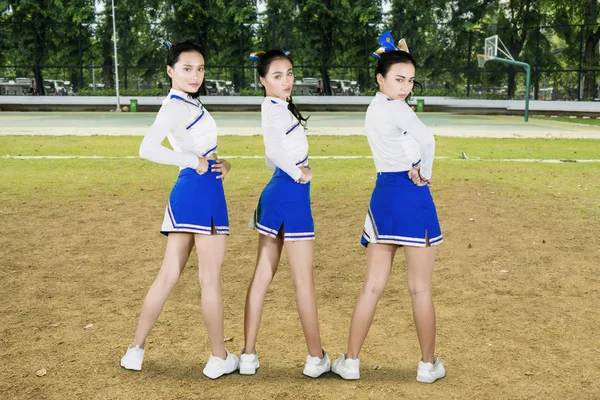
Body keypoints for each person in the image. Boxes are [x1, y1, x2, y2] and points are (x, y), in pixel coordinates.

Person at [331, 32, 446, 384]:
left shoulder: (375, 108)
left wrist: (413, 161)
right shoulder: (397, 108)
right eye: (398, 79)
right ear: (380, 78)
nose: (405, 86)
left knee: (372, 286)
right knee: (420, 289)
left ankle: (350, 362)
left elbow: (403, 145)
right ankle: (428, 366)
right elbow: (428, 139)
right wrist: (424, 172)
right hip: (412, 197)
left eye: (410, 80)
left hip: (383, 196)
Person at [120, 40, 238, 379]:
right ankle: (219, 357)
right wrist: (194, 161)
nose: (195, 75)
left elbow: (203, 151)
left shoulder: (187, 104)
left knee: (169, 274)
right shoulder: (174, 106)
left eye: (200, 69)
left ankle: (135, 351)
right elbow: (147, 149)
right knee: (210, 280)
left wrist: (220, 162)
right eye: (187, 68)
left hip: (190, 191)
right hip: (201, 193)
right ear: (170, 71)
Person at [239, 49, 330, 378]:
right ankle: (315, 358)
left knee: (262, 275)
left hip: (276, 193)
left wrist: (290, 169)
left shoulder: (274, 107)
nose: (287, 80)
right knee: (303, 282)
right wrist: (299, 173)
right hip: (290, 196)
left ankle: (248, 355)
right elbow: (273, 150)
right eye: (277, 75)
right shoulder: (274, 110)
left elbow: (275, 151)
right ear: (263, 80)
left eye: (289, 73)